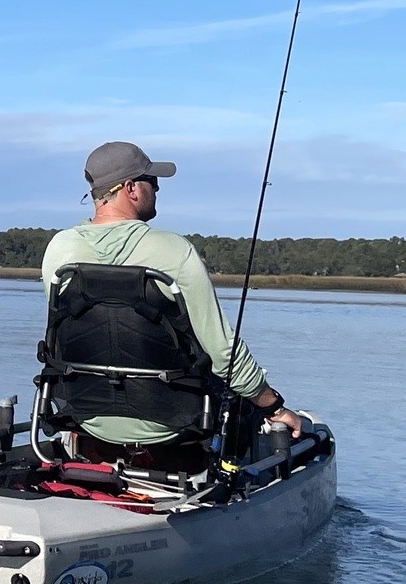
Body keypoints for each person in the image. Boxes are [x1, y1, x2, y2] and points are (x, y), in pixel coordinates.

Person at [41, 141, 305, 469]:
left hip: (84, 415)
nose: (157, 189)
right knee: (241, 399)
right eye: (152, 182)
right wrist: (274, 407)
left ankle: (96, 458)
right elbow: (225, 355)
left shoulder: (59, 250)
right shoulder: (174, 251)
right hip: (170, 421)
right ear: (131, 188)